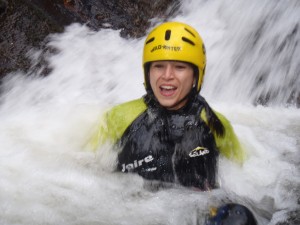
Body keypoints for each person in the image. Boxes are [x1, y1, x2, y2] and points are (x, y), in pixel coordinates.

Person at [88, 21, 245, 190]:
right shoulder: (118, 118)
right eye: (159, 67)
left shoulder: (215, 124)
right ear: (148, 73)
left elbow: (242, 176)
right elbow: (89, 172)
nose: (167, 76)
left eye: (179, 67)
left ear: (195, 76)